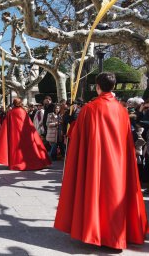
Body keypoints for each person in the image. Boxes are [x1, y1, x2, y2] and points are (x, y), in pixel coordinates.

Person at [54, 73, 148, 249]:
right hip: (119, 163)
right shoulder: (122, 110)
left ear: (98, 87)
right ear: (113, 87)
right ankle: (117, 235)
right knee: (116, 195)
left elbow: (76, 135)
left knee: (97, 193)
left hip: (96, 161)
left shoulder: (90, 109)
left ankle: (97, 232)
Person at [0, 98, 51, 170]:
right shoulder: (23, 112)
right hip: (26, 134)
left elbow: (6, 125)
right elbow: (28, 124)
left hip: (14, 136)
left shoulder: (11, 113)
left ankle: (16, 162)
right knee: (30, 149)